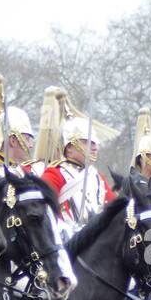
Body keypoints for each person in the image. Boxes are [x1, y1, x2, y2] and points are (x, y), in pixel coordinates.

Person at [40, 89, 119, 226]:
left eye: (95, 143)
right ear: (69, 148)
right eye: (87, 142)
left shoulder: (97, 177)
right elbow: (43, 212)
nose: (94, 147)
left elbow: (113, 211)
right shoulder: (54, 174)